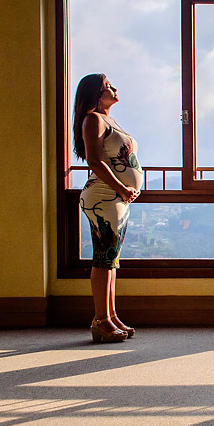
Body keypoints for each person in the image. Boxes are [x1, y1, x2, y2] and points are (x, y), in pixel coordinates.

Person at [72, 73, 142, 343]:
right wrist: (122, 188)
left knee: (110, 260)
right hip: (104, 197)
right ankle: (101, 321)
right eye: (107, 87)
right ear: (94, 94)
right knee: (104, 260)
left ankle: (110, 316)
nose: (114, 88)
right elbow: (94, 160)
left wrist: (125, 191)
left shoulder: (109, 120)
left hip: (116, 198)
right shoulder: (93, 119)